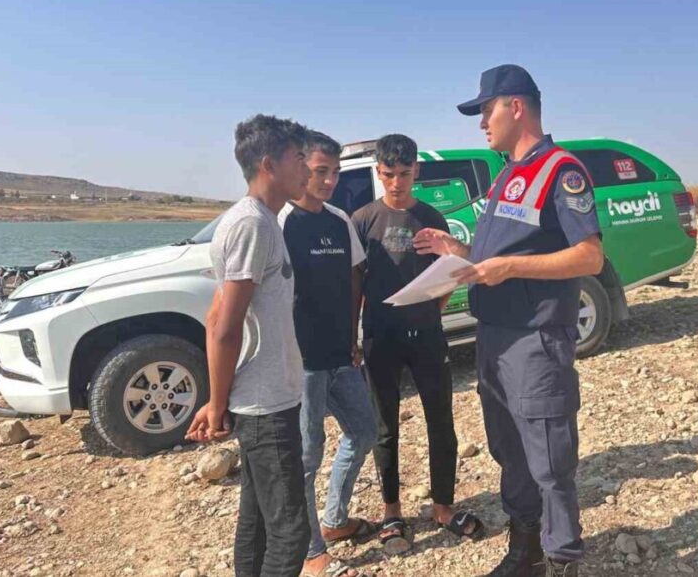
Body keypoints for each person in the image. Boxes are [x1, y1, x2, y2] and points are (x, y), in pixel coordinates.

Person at [413, 65, 603, 577]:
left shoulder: (561, 170)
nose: (480, 123)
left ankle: (563, 559)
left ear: (515, 107)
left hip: (535, 340)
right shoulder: (505, 174)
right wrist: (460, 253)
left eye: (485, 110)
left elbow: (589, 258)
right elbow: (495, 257)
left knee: (548, 459)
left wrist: (510, 266)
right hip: (494, 338)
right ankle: (526, 554)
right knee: (509, 451)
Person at [186, 114, 313, 577]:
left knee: (257, 522)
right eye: (299, 158)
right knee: (290, 532)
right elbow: (223, 325)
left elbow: (215, 316)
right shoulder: (252, 225)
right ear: (268, 164)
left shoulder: (262, 221)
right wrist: (218, 404)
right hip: (265, 405)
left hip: (264, 397)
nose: (308, 168)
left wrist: (219, 398)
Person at [351, 134, 484, 555]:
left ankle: (443, 507)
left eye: (404, 174)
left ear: (417, 172)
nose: (396, 183)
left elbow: (448, 274)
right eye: (388, 175)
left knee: (440, 422)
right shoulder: (363, 221)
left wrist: (429, 311)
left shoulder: (431, 218)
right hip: (380, 337)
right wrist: (352, 335)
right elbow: (356, 286)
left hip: (426, 335)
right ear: (378, 172)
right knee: (384, 427)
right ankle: (392, 511)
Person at [278, 129, 378, 577]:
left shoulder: (339, 220)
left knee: (364, 431)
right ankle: (311, 550)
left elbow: (355, 276)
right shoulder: (281, 223)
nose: (329, 180)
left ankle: (335, 520)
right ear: (301, 168)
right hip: (303, 364)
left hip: (341, 356)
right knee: (306, 458)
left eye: (335, 172)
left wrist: (353, 333)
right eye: (321, 171)